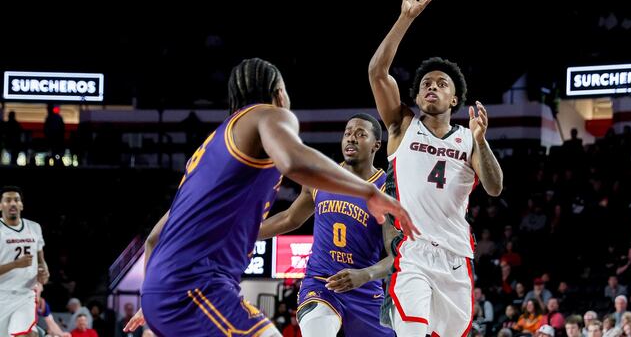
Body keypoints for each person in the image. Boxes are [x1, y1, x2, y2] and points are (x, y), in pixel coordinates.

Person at [124, 58, 417, 337]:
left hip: (161, 290)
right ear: (279, 94)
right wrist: (367, 191)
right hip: (198, 284)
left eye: (360, 134)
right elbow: (293, 163)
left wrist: (151, 299)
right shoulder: (270, 114)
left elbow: (153, 238)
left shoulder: (213, 148)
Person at [369, 0, 504, 337]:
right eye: (426, 83)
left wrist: (481, 141)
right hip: (413, 253)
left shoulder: (468, 138)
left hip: (455, 257)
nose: (432, 87)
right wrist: (404, 19)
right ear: (416, 96)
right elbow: (377, 73)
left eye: (442, 84)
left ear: (454, 98)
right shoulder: (402, 125)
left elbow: (494, 187)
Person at [257, 114, 396, 336]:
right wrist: (242, 235)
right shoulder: (320, 178)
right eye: (348, 133)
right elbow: (289, 218)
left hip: (365, 289)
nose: (351, 138)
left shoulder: (385, 190)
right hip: (321, 283)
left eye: (361, 134)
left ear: (376, 145)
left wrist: (366, 275)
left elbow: (397, 256)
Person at [0, 185, 50, 337]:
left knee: (25, 334)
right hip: (2, 295)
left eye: (16, 200)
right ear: (1, 205)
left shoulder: (34, 227)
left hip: (25, 294)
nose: (13, 203)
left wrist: (44, 272)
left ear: (21, 205)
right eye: (8, 200)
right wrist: (15, 264)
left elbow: (41, 261)